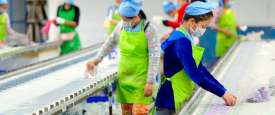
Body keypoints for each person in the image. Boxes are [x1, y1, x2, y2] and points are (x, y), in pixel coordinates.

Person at [155, 1, 237, 114]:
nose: (204, 30)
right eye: (203, 26)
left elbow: (200, 69)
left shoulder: (186, 37)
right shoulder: (181, 42)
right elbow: (195, 74)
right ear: (193, 21)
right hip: (170, 101)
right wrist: (222, 93)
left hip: (176, 96)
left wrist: (224, 91)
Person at [86, 0, 160, 114]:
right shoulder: (121, 26)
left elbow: (154, 56)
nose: (123, 21)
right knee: (126, 113)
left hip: (141, 80)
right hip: (124, 79)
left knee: (139, 112)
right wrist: (96, 60)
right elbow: (109, 43)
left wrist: (150, 82)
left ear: (135, 17)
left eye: (125, 19)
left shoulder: (148, 29)